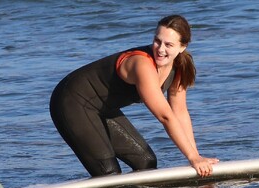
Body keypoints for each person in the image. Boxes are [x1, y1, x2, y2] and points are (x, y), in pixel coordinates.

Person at [49, 15, 219, 178]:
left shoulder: (180, 67)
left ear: (183, 47)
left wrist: (196, 156)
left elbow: (180, 112)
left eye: (168, 45)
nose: (160, 49)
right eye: (157, 41)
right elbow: (165, 117)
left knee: (146, 162)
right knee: (108, 173)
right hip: (71, 102)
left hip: (103, 108)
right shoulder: (142, 65)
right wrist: (192, 157)